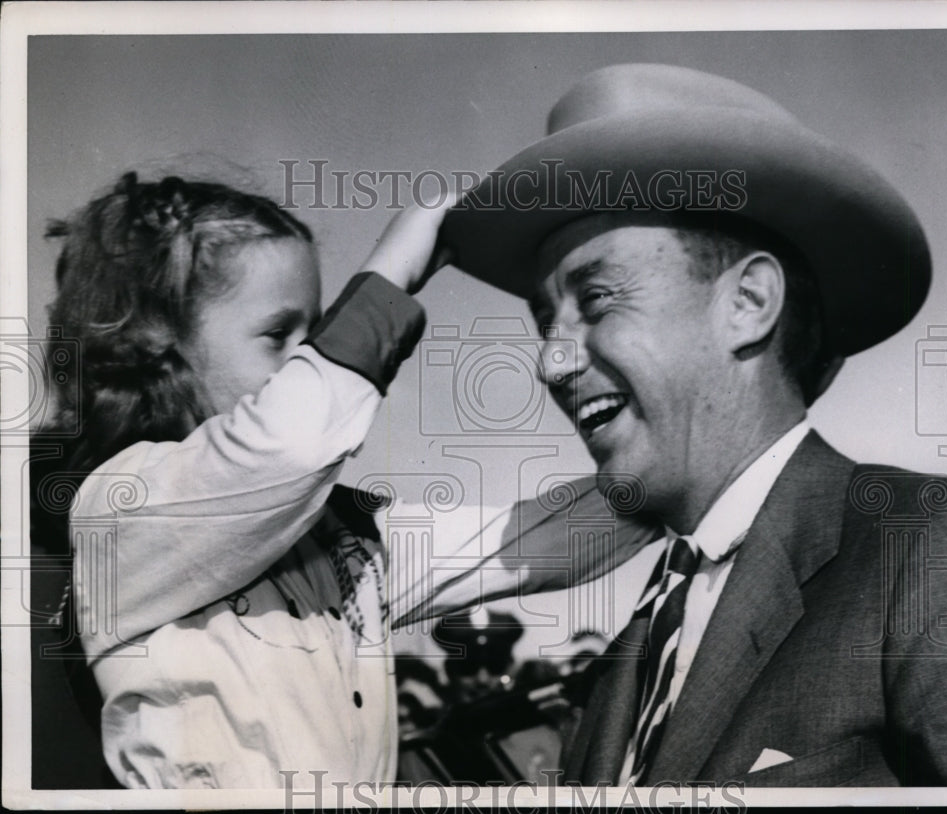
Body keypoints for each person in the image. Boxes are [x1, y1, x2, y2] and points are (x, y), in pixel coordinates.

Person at [441, 64, 947, 787]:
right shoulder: (631, 651)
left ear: (749, 303)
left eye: (597, 299)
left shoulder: (937, 548)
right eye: (544, 321)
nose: (550, 363)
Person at [32, 171, 658, 789]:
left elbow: (531, 543)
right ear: (154, 346)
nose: (310, 357)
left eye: (319, 331)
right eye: (281, 336)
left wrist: (686, 456)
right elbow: (289, 442)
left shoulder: (341, 541)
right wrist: (390, 278)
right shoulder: (121, 512)